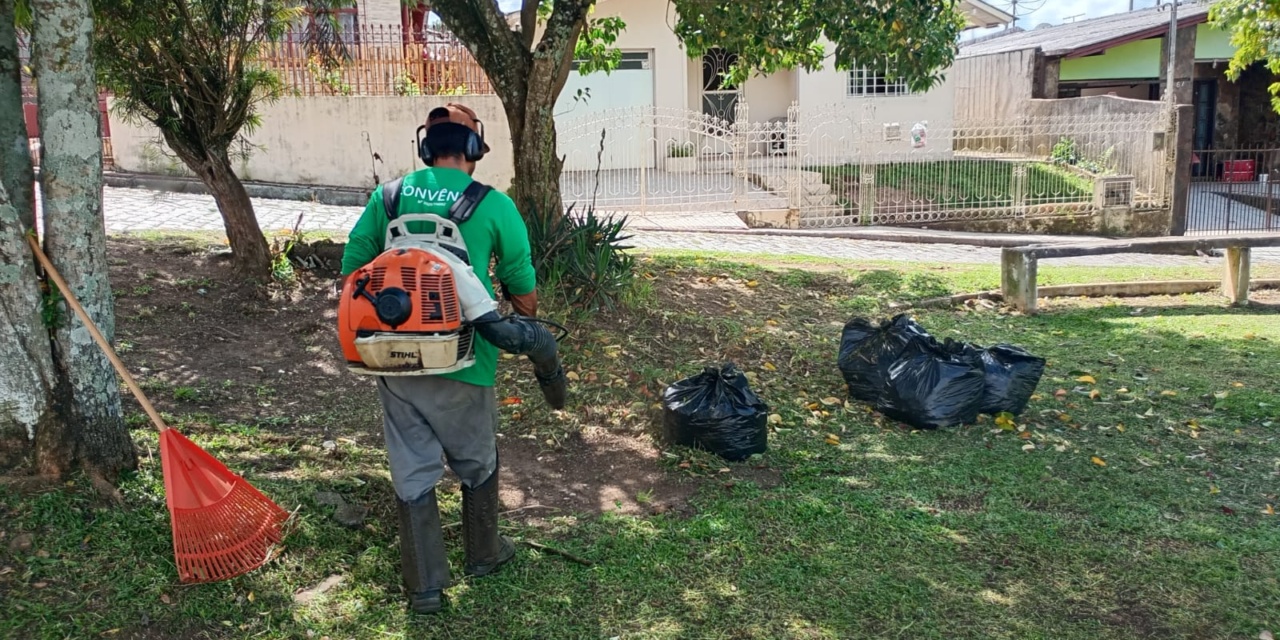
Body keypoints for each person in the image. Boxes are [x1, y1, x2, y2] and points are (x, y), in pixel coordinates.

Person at [339, 103, 539, 614]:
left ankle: (425, 586)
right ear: (473, 149)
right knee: (476, 459)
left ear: (426, 146)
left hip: (393, 357)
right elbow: (522, 287)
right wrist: (525, 326)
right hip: (468, 359)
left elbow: (353, 269)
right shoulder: (494, 206)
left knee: (412, 467)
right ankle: (484, 554)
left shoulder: (387, 197)